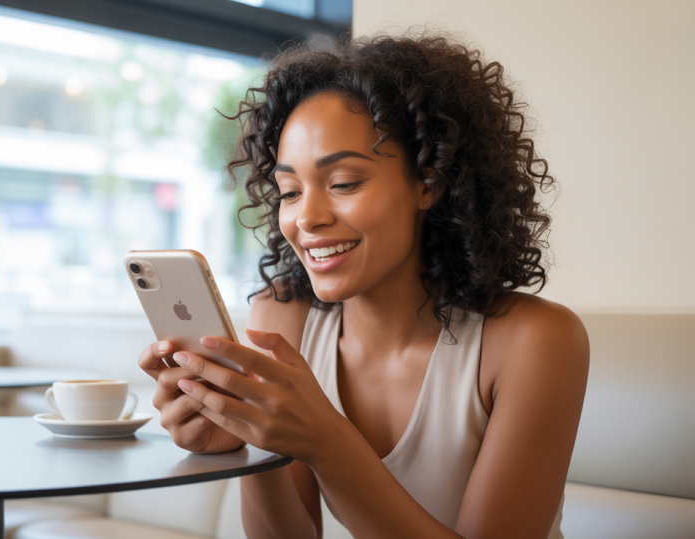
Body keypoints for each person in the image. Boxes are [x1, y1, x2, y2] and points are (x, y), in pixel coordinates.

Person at [139, 32, 589, 539]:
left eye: (344, 183)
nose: (306, 218)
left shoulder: (535, 341)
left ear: (429, 183)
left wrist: (325, 443)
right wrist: (248, 440)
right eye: (289, 191)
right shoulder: (284, 318)